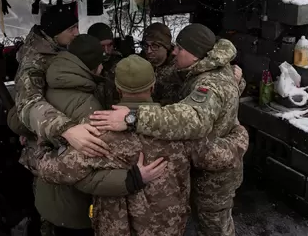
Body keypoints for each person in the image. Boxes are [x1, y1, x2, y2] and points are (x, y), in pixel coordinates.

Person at [34, 55, 249, 236]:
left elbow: (53, 171)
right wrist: (240, 133)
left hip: (116, 228)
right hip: (167, 226)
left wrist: (43, 144)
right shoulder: (178, 129)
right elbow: (221, 156)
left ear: (117, 88)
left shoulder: (97, 130)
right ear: (153, 86)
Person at [90, 24, 245, 236]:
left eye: (179, 48)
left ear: (194, 53)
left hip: (214, 179)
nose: (174, 52)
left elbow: (192, 119)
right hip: (213, 166)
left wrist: (132, 117)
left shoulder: (209, 83)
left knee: (215, 228)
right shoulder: (211, 71)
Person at [21, 36, 166, 236]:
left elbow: (17, 118)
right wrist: (133, 179)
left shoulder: (44, 84)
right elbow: (80, 175)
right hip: (74, 210)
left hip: (49, 200)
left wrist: (35, 141)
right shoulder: (93, 112)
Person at [12, 5, 109, 157]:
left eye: (76, 26)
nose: (76, 33)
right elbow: (28, 104)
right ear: (55, 32)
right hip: (46, 144)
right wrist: (66, 129)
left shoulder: (57, 47)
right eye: (71, 29)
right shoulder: (34, 61)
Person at [140, 23, 181, 105]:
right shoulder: (140, 65)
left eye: (155, 46)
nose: (149, 51)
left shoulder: (178, 70)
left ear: (166, 47)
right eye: (146, 45)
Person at [87, 22, 122, 107]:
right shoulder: (85, 65)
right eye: (102, 46)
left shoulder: (121, 65)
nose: (106, 51)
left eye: (109, 45)